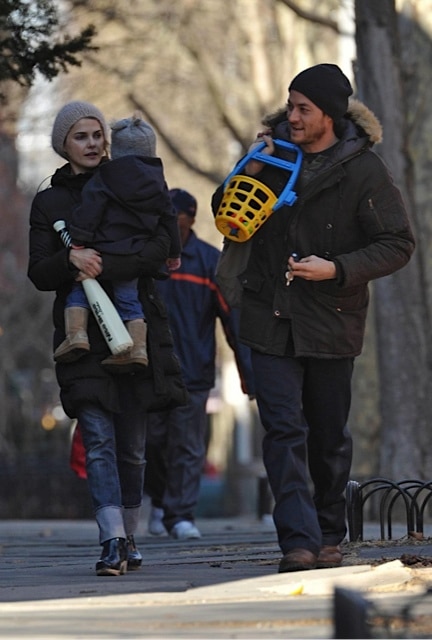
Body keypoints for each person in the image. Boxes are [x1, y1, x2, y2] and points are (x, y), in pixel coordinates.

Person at [211, 64, 415, 572]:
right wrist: (250, 170)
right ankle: (297, 542)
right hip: (268, 314)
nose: (292, 116)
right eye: (291, 105)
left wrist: (338, 268)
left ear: (330, 114)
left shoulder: (365, 170)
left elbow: (397, 243)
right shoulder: (272, 151)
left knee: (327, 436)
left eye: (304, 108)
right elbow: (226, 212)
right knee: (283, 430)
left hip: (332, 319)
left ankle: (328, 533)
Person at [28, 101, 189, 576]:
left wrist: (106, 263)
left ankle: (132, 533)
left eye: (98, 134)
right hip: (80, 335)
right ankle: (111, 540)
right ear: (64, 144)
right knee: (97, 438)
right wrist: (71, 262)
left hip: (137, 329)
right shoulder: (49, 201)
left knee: (133, 447)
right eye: (82, 136)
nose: (93, 143)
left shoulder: (134, 181)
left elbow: (162, 248)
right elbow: (39, 270)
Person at [144, 188, 255, 540]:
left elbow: (232, 320)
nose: (172, 229)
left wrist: (246, 373)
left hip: (193, 371)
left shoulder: (209, 263)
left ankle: (180, 515)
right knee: (151, 443)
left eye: (177, 222)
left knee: (188, 445)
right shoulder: (148, 259)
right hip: (148, 370)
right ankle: (160, 502)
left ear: (191, 220)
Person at [53, 111, 181, 371]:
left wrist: (79, 241)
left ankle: (76, 335)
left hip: (102, 251)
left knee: (81, 291)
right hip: (136, 254)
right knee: (129, 300)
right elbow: (169, 217)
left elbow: (91, 211)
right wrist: (174, 253)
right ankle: (138, 349)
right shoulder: (159, 182)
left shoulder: (105, 177)